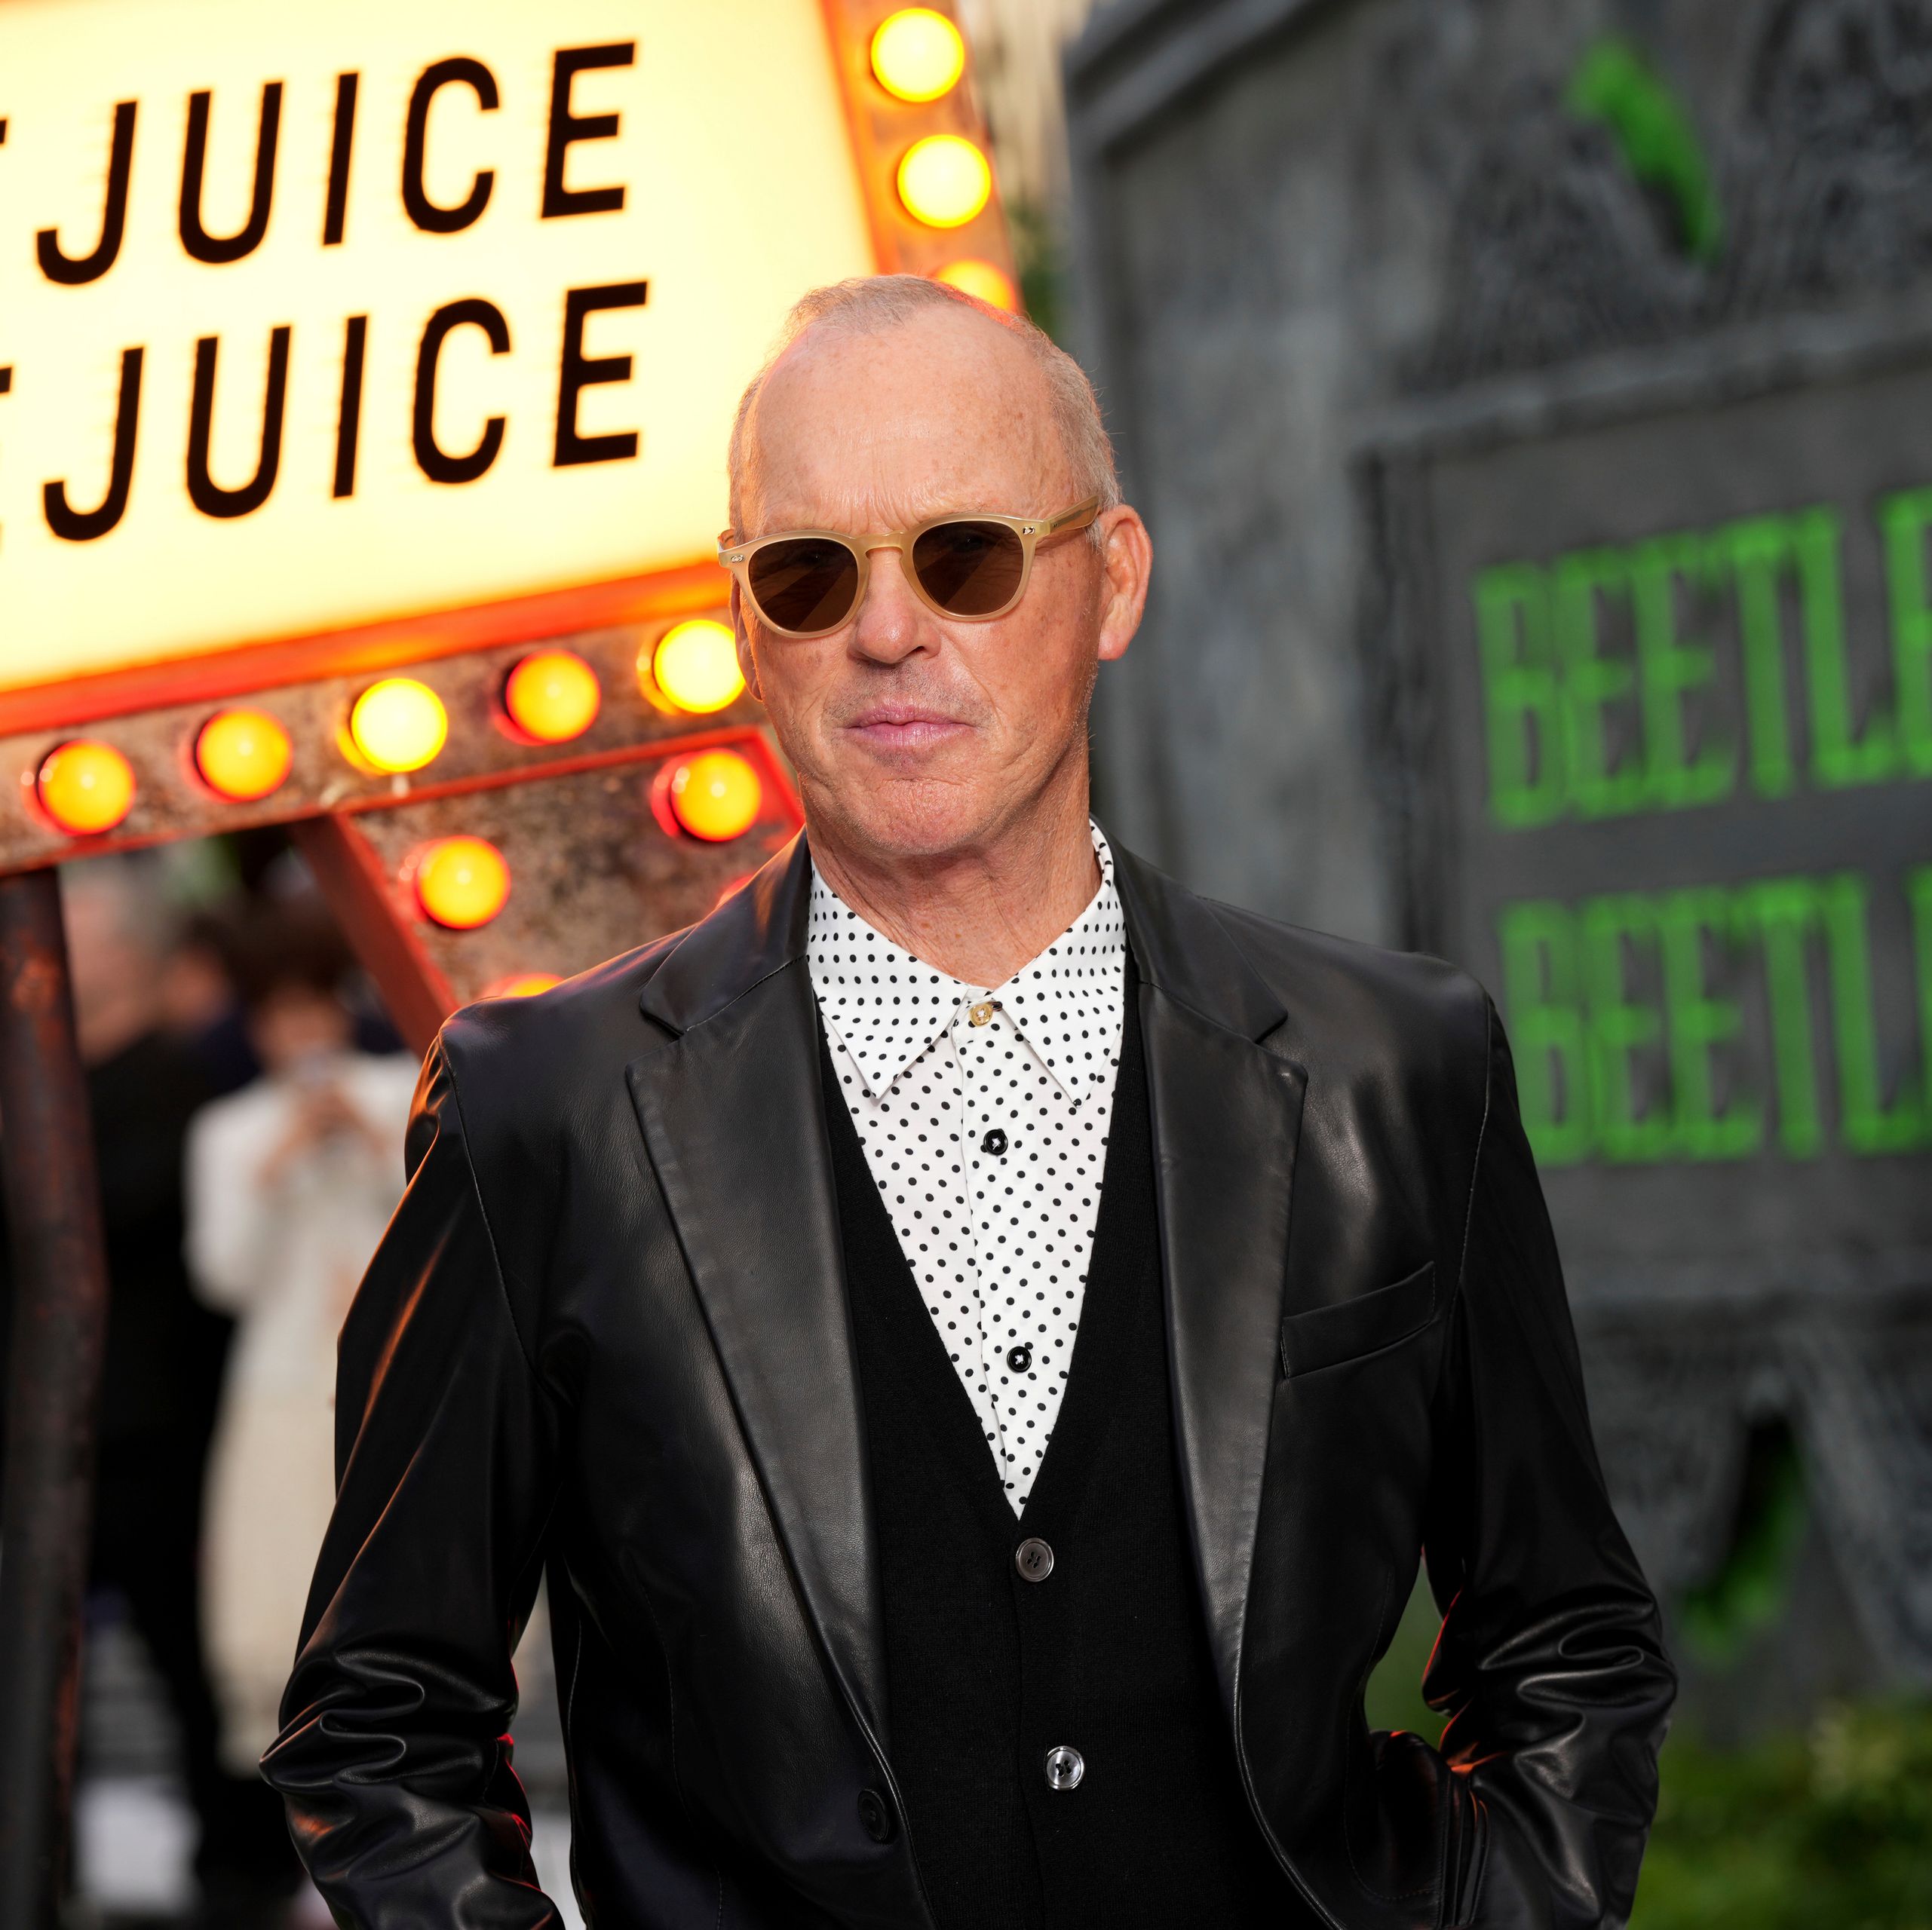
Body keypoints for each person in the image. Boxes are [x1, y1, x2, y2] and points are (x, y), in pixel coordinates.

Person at [265, 275, 1673, 1929]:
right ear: (743, 623)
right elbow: (380, 1721)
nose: (886, 629)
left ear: (1114, 578)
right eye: (808, 573)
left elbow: (1563, 1640)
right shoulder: (547, 1116)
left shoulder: (1392, 1067)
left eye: (967, 555)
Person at [50, 865, 302, 1917]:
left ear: (128, 954)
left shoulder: (178, 1087)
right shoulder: (41, 1093)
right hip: (54, 1440)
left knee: (196, 1668)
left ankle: (241, 1874)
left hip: (162, 1428)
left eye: (73, 932)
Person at [186, 903, 417, 1785]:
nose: (302, 1033)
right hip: (282, 1392)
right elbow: (222, 1277)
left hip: (396, 1381)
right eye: (281, 1018)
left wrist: (364, 1147)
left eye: (314, 1010)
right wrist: (276, 1166)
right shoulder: (228, 1132)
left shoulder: (402, 1091)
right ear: (257, 1028)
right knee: (290, 1612)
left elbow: (452, 1226)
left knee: (408, 1598)